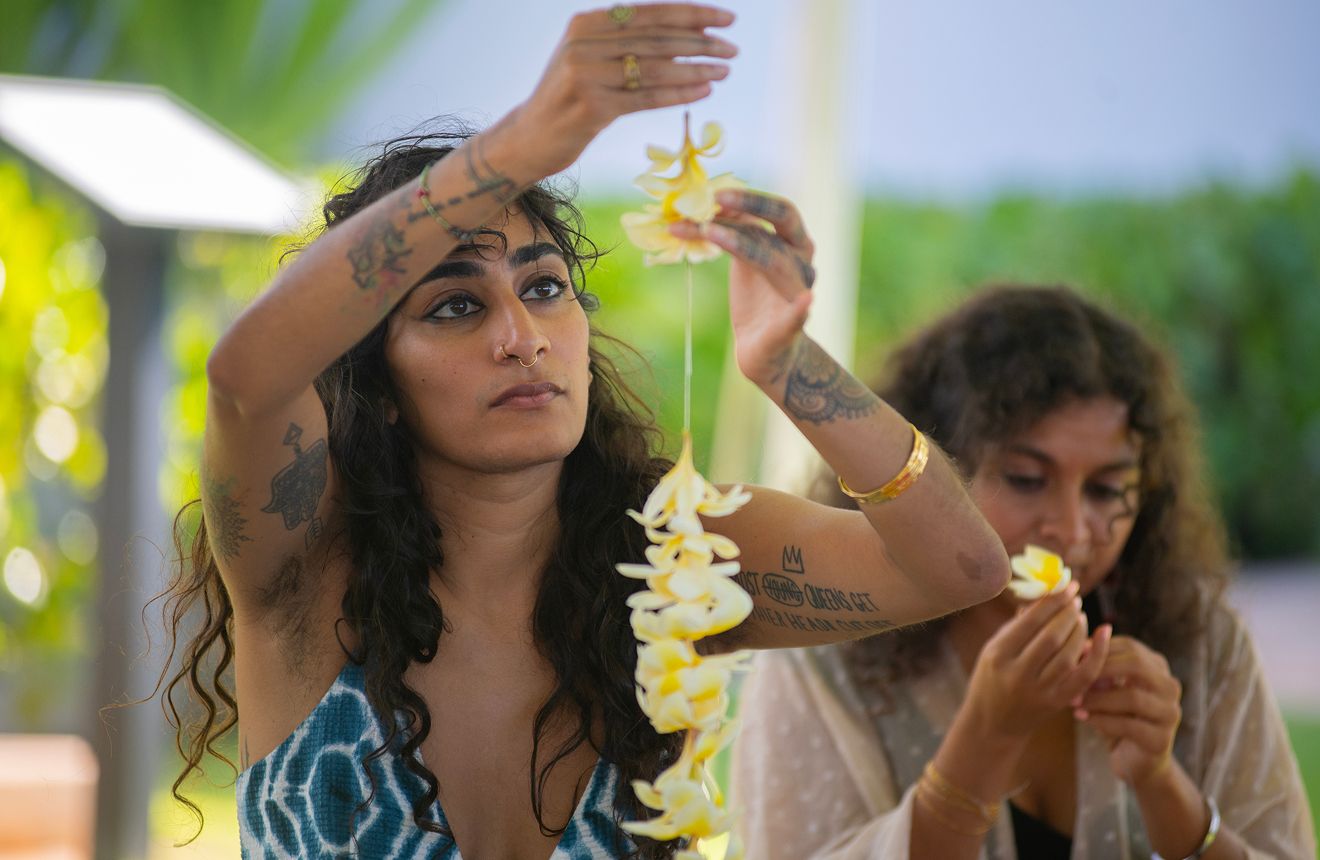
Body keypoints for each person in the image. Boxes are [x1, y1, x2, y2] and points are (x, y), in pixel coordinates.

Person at [154, 4, 1012, 858]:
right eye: (455, 306)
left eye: (544, 288)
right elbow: (247, 377)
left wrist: (790, 367)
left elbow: (962, 568)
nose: (522, 336)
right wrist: (519, 145)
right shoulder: (307, 571)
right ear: (376, 381)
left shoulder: (675, 560)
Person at [732, 285, 1317, 859]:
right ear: (942, 473)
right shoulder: (823, 652)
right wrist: (987, 739)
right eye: (1027, 480)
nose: (1072, 529)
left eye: (1106, 490)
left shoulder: (1199, 641)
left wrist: (1162, 784)